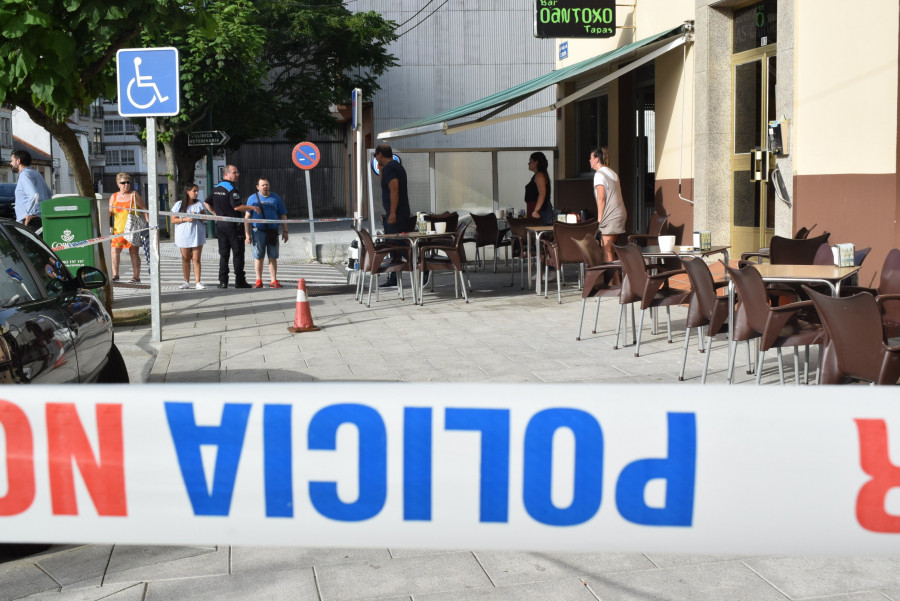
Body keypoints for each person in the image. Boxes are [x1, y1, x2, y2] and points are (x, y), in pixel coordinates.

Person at [204, 165, 260, 289]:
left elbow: (206, 202)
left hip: (221, 225)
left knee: (224, 254)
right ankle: (240, 281)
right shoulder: (231, 189)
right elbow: (237, 207)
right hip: (233, 226)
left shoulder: (216, 188)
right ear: (227, 174)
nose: (237, 174)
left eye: (237, 172)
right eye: (235, 172)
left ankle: (223, 282)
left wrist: (215, 214)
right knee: (238, 254)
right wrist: (253, 207)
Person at [374, 143, 412, 287]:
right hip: (399, 211)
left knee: (397, 243)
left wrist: (392, 212)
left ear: (380, 154)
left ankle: (421, 265)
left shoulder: (391, 168)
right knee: (394, 245)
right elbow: (384, 186)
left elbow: (394, 190)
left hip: (396, 213)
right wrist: (381, 171)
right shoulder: (395, 167)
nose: (376, 159)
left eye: (376, 156)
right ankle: (394, 277)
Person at [244, 178, 288, 288]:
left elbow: (283, 215)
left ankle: (273, 280)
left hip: (273, 231)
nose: (265, 187)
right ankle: (258, 280)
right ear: (257, 187)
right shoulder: (252, 198)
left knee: (273, 256)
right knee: (258, 256)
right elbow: (247, 217)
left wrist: (285, 231)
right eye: (263, 185)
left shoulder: (275, 198)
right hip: (258, 231)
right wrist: (247, 234)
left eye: (267, 184)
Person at [590, 147, 627, 263]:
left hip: (610, 215)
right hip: (619, 213)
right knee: (609, 249)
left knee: (606, 249)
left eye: (591, 158)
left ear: (596, 159)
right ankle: (614, 280)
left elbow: (601, 198)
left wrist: (599, 220)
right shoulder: (612, 172)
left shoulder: (599, 174)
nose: (589, 160)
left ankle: (613, 281)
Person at [108, 172, 146, 283]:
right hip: (118, 230)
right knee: (114, 250)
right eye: (123, 182)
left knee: (133, 252)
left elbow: (144, 209)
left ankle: (136, 276)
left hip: (133, 229)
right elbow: (110, 213)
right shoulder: (114, 197)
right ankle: (115, 274)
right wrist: (109, 226)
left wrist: (148, 226)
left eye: (128, 182)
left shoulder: (135, 195)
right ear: (118, 184)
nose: (126, 185)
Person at [171, 183, 207, 290]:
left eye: (197, 191)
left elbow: (205, 217)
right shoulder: (179, 204)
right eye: (194, 191)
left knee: (196, 258)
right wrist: (185, 219)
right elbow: (173, 219)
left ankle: (198, 282)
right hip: (184, 235)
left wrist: (198, 216)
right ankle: (186, 281)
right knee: (185, 258)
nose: (196, 193)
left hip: (197, 234)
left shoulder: (199, 203)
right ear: (187, 191)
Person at [9, 150, 51, 231]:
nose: (10, 163)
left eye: (12, 161)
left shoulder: (24, 175)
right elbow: (49, 194)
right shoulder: (36, 174)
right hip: (41, 218)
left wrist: (29, 214)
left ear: (18, 161)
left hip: (29, 221)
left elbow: (34, 194)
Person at [525, 151, 553, 224]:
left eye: (530, 161)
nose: (528, 163)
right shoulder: (538, 175)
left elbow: (542, 194)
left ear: (536, 162)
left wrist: (536, 211)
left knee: (541, 233)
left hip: (540, 211)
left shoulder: (539, 175)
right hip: (537, 209)